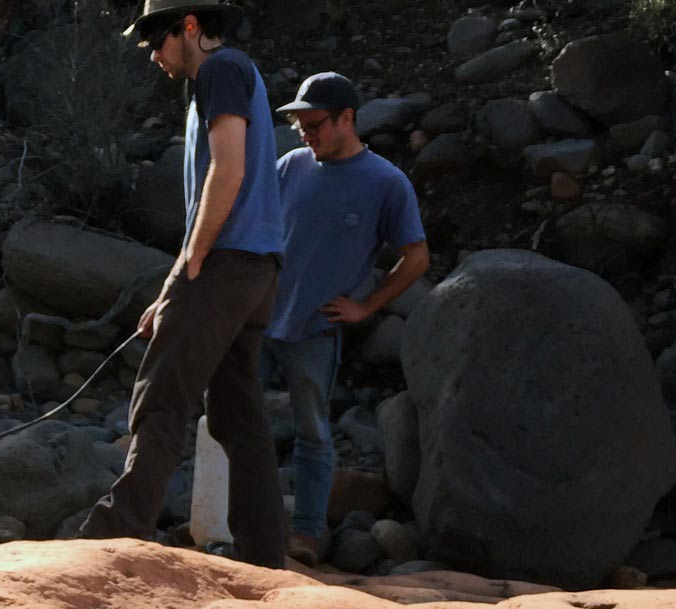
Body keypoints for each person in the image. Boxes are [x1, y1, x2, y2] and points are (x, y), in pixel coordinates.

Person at [76, 0, 290, 569]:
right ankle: (266, 559)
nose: (153, 53)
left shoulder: (220, 71)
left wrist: (186, 269)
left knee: (161, 397)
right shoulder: (226, 78)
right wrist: (175, 286)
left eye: (157, 38)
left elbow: (230, 170)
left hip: (224, 265)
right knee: (238, 416)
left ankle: (112, 542)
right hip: (255, 270)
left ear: (189, 26)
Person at [267, 72, 429, 566]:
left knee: (312, 432)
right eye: (299, 126)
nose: (305, 134)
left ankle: (308, 533)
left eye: (314, 124)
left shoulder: (385, 182)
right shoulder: (290, 166)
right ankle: (240, 521)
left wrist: (366, 306)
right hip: (256, 319)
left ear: (347, 119)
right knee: (235, 421)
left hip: (314, 329)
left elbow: (417, 257)